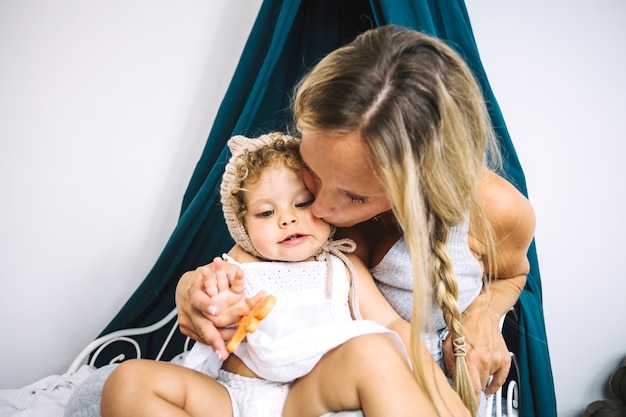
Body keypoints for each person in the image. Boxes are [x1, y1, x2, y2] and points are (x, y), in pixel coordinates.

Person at [175, 25, 536, 416]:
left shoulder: (496, 210)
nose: (319, 210)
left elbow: (513, 274)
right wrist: (191, 289)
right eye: (313, 172)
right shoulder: (292, 198)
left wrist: (483, 315)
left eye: (356, 195)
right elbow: (245, 261)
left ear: (423, 183)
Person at [100, 132, 468, 417]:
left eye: (303, 203)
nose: (287, 219)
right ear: (241, 226)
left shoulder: (342, 266)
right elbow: (203, 291)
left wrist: (446, 398)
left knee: (375, 348)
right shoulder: (236, 265)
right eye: (264, 213)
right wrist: (218, 302)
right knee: (127, 380)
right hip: (231, 399)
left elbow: (393, 324)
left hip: (302, 397)